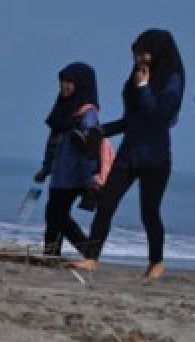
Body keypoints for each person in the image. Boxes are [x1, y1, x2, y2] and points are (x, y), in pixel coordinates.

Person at [73, 30, 184, 279]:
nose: (139, 59)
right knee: (106, 203)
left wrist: (143, 87)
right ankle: (91, 258)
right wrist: (101, 131)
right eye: (136, 54)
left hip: (156, 158)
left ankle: (157, 262)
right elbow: (130, 120)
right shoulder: (135, 78)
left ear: (158, 52)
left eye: (143, 53)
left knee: (149, 212)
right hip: (128, 154)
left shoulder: (172, 80)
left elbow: (158, 117)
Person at [33, 63, 102, 256]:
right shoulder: (62, 108)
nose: (65, 86)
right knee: (53, 213)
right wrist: (46, 168)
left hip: (76, 173)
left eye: (70, 82)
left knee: (59, 215)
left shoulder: (88, 113)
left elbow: (91, 144)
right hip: (59, 173)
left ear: (82, 84)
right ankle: (51, 253)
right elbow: (53, 141)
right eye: (63, 81)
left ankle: (87, 251)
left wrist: (90, 176)